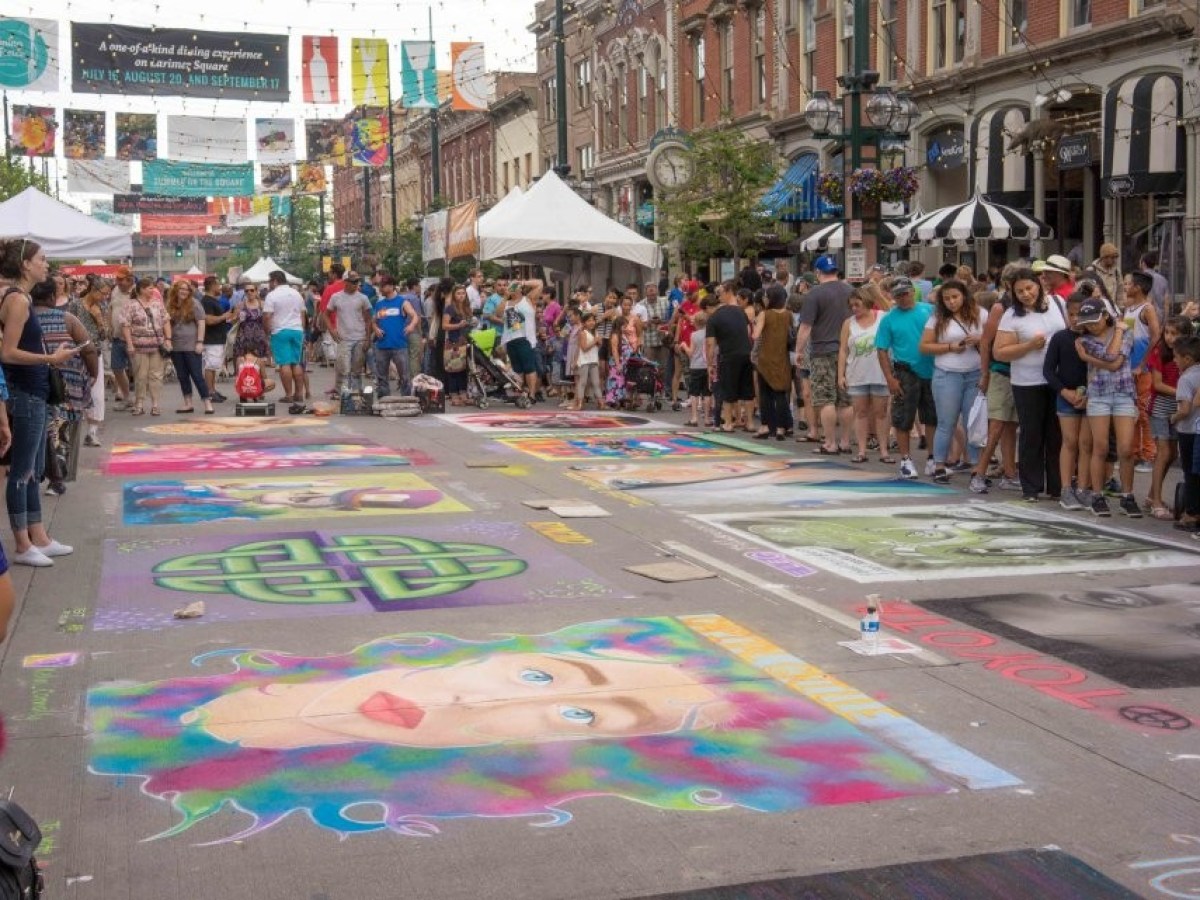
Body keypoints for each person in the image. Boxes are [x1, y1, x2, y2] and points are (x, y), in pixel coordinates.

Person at [0, 239, 79, 567]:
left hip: (33, 389)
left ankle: (39, 537)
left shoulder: (22, 297)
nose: (47, 264)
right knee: (22, 471)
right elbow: (7, 352)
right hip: (25, 390)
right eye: (42, 259)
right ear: (25, 264)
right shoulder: (17, 299)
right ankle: (23, 543)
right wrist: (50, 358)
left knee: (33, 470)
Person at [993, 268, 1068, 502]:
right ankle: (1031, 487)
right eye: (1020, 291)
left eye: (1029, 288)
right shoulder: (1011, 315)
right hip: (1027, 381)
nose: (1026, 294)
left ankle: (1057, 486)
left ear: (1039, 285)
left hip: (1057, 379)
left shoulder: (1058, 303)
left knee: (1057, 434)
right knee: (1031, 433)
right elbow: (999, 352)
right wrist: (1028, 346)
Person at [1075, 297, 1141, 518]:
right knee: (1100, 447)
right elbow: (1112, 358)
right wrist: (1119, 331)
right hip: (1098, 395)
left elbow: (1116, 362)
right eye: (1087, 323)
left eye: (1095, 321)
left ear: (1106, 316)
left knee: (1126, 448)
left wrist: (1091, 358)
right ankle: (1097, 495)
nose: (1091, 326)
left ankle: (1127, 496)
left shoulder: (1126, 332)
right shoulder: (1084, 340)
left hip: (1124, 393)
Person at [32, 277, 98, 496]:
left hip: (34, 382)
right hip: (68, 384)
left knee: (43, 429)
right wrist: (93, 373)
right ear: (52, 296)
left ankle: (45, 474)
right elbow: (88, 348)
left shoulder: (24, 318)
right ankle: (59, 475)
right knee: (64, 428)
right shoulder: (68, 319)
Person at [918, 279, 986, 483]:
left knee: (972, 422)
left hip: (974, 373)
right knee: (946, 422)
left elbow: (992, 339)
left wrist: (980, 339)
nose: (951, 302)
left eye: (955, 297)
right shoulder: (937, 317)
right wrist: (950, 347)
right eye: (947, 299)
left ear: (964, 295)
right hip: (947, 373)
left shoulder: (980, 314)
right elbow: (925, 346)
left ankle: (976, 466)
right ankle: (939, 464)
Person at [875, 276, 936, 480]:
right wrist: (890, 378)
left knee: (932, 417)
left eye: (905, 293)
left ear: (912, 292)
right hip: (905, 371)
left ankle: (932, 458)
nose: (902, 298)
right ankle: (905, 460)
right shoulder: (888, 319)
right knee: (903, 418)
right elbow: (881, 349)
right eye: (898, 295)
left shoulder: (929, 310)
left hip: (932, 369)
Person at [794, 255, 853, 455]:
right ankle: (845, 441)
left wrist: (799, 351)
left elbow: (805, 327)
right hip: (847, 350)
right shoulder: (850, 291)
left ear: (818, 273)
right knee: (845, 399)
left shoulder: (814, 294)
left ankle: (830, 443)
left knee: (825, 398)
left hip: (822, 350)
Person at [1043, 293, 1093, 511]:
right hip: (1066, 397)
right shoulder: (1060, 338)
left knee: (1086, 444)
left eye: (1080, 315)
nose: (1075, 319)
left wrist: (1088, 394)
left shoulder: (1095, 338)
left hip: (1091, 397)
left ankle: (1083, 488)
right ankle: (1065, 489)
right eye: (1071, 314)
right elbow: (1048, 370)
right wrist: (1064, 392)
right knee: (1070, 442)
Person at [838, 286, 890, 464]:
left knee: (881, 413)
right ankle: (862, 450)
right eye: (851, 305)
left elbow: (891, 309)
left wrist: (877, 292)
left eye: (857, 305)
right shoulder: (848, 323)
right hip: (857, 373)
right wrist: (841, 374)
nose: (854, 309)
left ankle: (884, 450)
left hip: (880, 373)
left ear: (866, 303)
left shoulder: (882, 317)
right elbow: (843, 350)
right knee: (860, 413)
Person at [1145, 317, 1190, 518]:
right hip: (1160, 407)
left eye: (1175, 333)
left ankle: (1151, 496)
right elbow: (1157, 384)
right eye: (1167, 333)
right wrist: (1183, 393)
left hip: (1178, 407)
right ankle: (1156, 502)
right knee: (1163, 453)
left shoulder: (1188, 355)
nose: (1170, 338)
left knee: (1172, 454)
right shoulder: (1159, 352)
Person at [1120, 270, 1163, 473]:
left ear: (1137, 287)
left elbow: (1156, 336)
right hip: (1128, 368)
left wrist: (1142, 364)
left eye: (1128, 284)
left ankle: (1149, 454)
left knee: (1144, 412)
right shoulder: (1129, 309)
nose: (1125, 287)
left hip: (1143, 370)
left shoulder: (1147, 309)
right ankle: (1135, 452)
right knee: (1131, 412)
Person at [68, 275, 110, 446]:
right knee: (76, 391)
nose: (105, 297)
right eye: (103, 293)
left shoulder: (102, 307)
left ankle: (92, 432)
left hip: (95, 353)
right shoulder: (75, 305)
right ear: (93, 290)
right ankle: (72, 431)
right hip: (77, 354)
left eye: (107, 294)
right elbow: (68, 328)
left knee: (97, 394)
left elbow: (105, 335)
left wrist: (99, 320)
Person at [123, 277, 172, 417]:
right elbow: (125, 325)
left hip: (157, 346)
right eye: (150, 288)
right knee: (140, 375)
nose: (153, 290)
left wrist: (168, 339)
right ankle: (139, 404)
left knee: (156, 375)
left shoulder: (157, 304)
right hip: (138, 346)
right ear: (142, 289)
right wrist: (129, 344)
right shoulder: (131, 305)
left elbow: (166, 321)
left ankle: (155, 405)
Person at [165, 280, 214, 415]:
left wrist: (200, 342)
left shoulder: (194, 303)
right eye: (181, 289)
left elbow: (201, 323)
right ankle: (188, 403)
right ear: (176, 290)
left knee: (197, 375)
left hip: (192, 345)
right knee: (182, 376)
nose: (184, 291)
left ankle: (207, 402)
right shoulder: (170, 304)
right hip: (176, 346)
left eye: (186, 289)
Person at [752, 284, 793, 441]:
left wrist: (756, 323)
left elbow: (756, 335)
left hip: (765, 358)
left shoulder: (765, 314)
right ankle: (782, 428)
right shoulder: (788, 314)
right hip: (782, 357)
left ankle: (766, 426)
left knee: (765, 394)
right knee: (781, 393)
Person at [322, 272, 373, 394]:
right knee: (344, 369)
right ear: (345, 282)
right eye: (353, 282)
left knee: (357, 370)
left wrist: (368, 339)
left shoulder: (363, 298)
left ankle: (356, 394)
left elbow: (368, 319)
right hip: (343, 339)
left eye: (357, 281)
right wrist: (332, 330)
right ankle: (344, 395)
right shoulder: (336, 297)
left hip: (360, 338)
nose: (356, 284)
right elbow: (326, 314)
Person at [1169, 335, 1200, 531]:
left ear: (1187, 358)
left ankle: (1191, 513)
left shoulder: (1186, 378)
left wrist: (1173, 418)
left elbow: (1186, 409)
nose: (1174, 360)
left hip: (1189, 430)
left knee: (1190, 472)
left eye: (1176, 357)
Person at [263, 270, 308, 405]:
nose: (269, 284)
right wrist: (302, 330)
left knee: (284, 364)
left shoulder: (272, 295)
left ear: (275, 281)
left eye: (270, 281)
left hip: (280, 331)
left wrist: (267, 331)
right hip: (297, 330)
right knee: (296, 363)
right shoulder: (296, 293)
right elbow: (302, 314)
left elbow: (267, 316)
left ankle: (288, 395)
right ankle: (299, 394)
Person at [371, 275, 419, 398]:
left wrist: (411, 326)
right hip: (382, 345)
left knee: (404, 375)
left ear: (391, 286)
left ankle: (406, 398)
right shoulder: (379, 304)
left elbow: (414, 316)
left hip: (399, 345)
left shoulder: (402, 302)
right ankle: (384, 399)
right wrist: (376, 329)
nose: (381, 288)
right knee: (381, 376)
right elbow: (373, 321)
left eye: (383, 286)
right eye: (380, 286)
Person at [501, 279, 542, 399]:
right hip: (510, 339)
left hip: (525, 338)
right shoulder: (507, 302)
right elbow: (497, 312)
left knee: (529, 367)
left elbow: (539, 284)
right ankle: (519, 393)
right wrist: (505, 296)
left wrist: (522, 282)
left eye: (514, 286)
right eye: (510, 286)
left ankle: (532, 394)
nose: (512, 287)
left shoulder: (528, 299)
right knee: (516, 368)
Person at [199, 275, 231, 403]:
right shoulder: (207, 301)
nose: (220, 287)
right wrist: (224, 316)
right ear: (212, 286)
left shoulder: (213, 300)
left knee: (214, 365)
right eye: (218, 285)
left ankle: (213, 389)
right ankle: (210, 392)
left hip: (217, 338)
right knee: (210, 365)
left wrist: (232, 315)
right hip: (211, 339)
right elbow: (208, 320)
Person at [108, 264, 135, 409]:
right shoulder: (115, 290)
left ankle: (140, 401)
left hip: (134, 338)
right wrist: (109, 326)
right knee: (117, 368)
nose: (118, 281)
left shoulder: (137, 292)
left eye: (121, 279)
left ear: (129, 279)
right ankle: (127, 398)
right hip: (117, 336)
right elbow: (111, 308)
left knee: (137, 370)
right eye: (117, 279)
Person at [442, 284, 472, 405]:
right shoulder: (450, 308)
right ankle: (454, 394)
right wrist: (458, 325)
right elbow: (444, 325)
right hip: (453, 342)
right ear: (454, 295)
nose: (461, 296)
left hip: (465, 341)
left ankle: (463, 393)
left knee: (463, 369)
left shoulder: (467, 308)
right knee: (453, 369)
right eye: (458, 293)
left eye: (463, 293)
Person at [232, 282, 271, 371]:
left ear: (256, 291)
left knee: (260, 363)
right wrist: (237, 317)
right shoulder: (240, 305)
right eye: (247, 291)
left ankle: (260, 379)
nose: (249, 292)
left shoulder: (262, 304)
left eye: (252, 290)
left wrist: (267, 334)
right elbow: (233, 322)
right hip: (244, 337)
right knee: (242, 362)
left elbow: (267, 319)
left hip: (259, 337)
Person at [572, 311, 602, 410]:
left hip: (594, 360)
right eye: (589, 321)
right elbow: (584, 348)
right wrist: (595, 341)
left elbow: (598, 346)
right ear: (584, 323)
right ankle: (580, 403)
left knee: (596, 382)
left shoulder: (596, 332)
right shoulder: (583, 333)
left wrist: (599, 342)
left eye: (593, 320)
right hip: (584, 361)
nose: (591, 322)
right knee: (582, 382)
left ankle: (600, 402)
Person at [1084, 243, 1123, 309]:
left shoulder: (1116, 272)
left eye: (1115, 257)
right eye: (1112, 257)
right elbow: (1085, 292)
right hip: (1095, 308)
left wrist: (1120, 308)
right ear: (1104, 257)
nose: (1114, 260)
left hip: (1112, 309)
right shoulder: (1091, 270)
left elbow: (1120, 292)